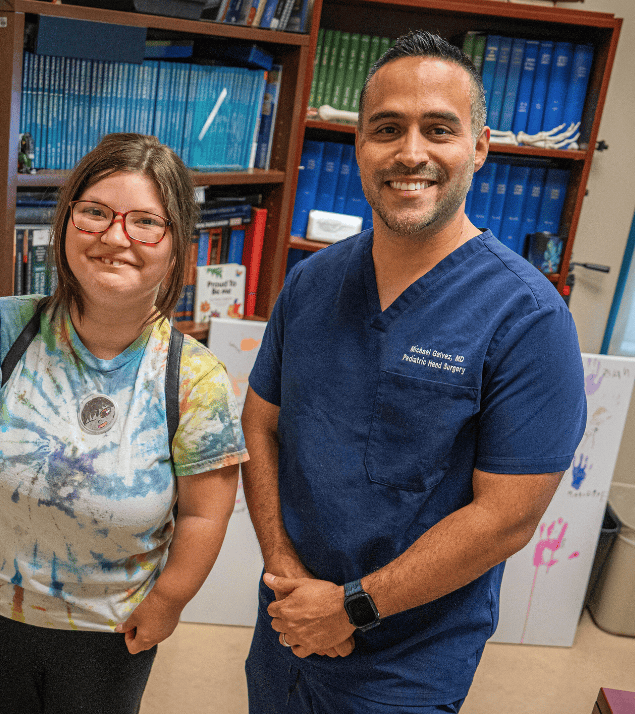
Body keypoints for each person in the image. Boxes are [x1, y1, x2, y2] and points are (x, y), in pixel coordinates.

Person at [241, 30, 587, 713]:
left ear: (480, 147)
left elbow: (505, 519)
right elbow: (260, 423)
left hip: (406, 660)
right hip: (288, 619)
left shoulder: (528, 318)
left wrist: (352, 608)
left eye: (439, 129)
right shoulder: (311, 284)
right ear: (359, 145)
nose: (411, 153)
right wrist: (282, 568)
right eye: (387, 129)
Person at [0, 133, 247, 714]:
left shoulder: (196, 379)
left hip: (112, 630)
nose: (115, 237)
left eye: (146, 222)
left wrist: (169, 599)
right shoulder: (1, 328)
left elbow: (205, 511)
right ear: (66, 222)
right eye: (95, 212)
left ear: (176, 248)